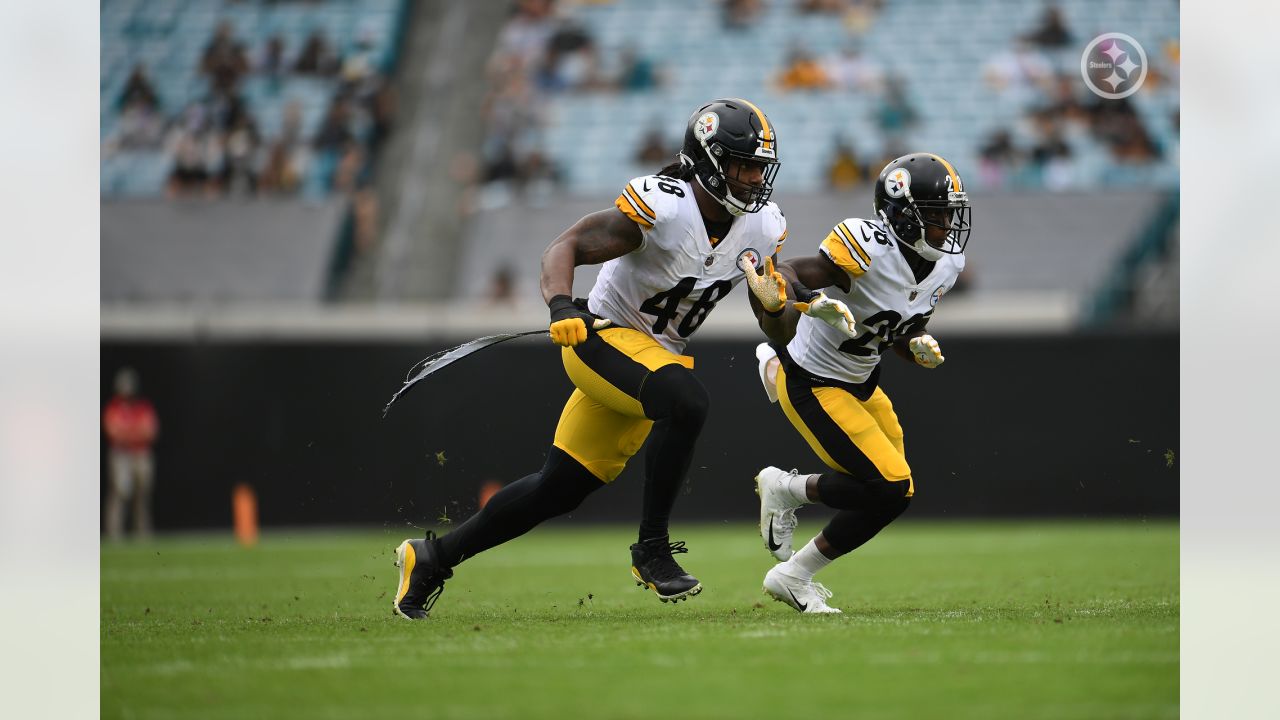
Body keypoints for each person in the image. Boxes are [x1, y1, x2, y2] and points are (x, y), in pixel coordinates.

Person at [392, 98, 856, 620]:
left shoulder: (763, 228)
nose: (752, 179)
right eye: (741, 164)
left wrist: (776, 303)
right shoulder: (665, 206)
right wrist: (561, 305)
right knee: (686, 400)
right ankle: (651, 548)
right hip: (600, 338)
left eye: (758, 167)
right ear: (707, 161)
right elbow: (565, 246)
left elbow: (776, 326)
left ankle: (431, 557)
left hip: (650, 359)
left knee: (556, 489)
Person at [740, 153, 971, 613]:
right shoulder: (867, 244)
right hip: (815, 380)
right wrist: (808, 299)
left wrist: (915, 344)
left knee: (892, 492)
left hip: (862, 381)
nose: (947, 225)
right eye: (936, 214)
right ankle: (791, 564)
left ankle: (788, 495)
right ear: (903, 216)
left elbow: (897, 328)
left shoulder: (945, 266)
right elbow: (787, 274)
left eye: (950, 213)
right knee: (889, 486)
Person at [103, 368, 159, 541]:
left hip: (140, 455)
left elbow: (151, 430)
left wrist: (127, 433)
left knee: (141, 495)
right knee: (120, 493)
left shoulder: (142, 407)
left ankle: (142, 534)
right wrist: (135, 433)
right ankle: (114, 534)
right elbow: (113, 432)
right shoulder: (113, 407)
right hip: (121, 456)